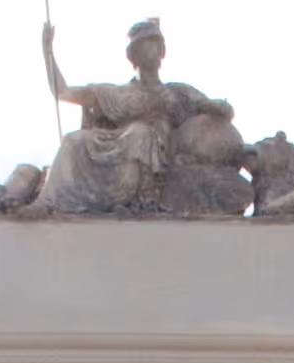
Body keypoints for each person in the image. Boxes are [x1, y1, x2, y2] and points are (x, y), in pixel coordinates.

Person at [38, 18, 247, 217]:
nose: (149, 52)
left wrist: (214, 106)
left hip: (153, 151)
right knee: (73, 140)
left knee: (141, 133)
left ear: (162, 51)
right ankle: (45, 202)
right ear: (132, 56)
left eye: (154, 45)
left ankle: (132, 197)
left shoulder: (178, 92)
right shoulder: (115, 94)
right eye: (142, 47)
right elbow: (62, 92)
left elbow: (225, 111)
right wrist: (48, 52)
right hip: (115, 146)